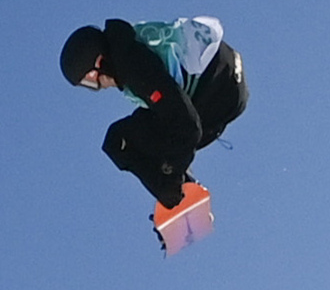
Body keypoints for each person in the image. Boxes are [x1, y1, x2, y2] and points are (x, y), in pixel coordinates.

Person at [59, 18, 248, 209]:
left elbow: (188, 127)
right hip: (223, 76)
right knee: (126, 137)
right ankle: (179, 190)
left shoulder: (133, 67)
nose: (100, 87)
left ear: (100, 62)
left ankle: (177, 197)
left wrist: (170, 178)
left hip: (220, 91)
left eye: (91, 81)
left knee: (121, 142)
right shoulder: (127, 43)